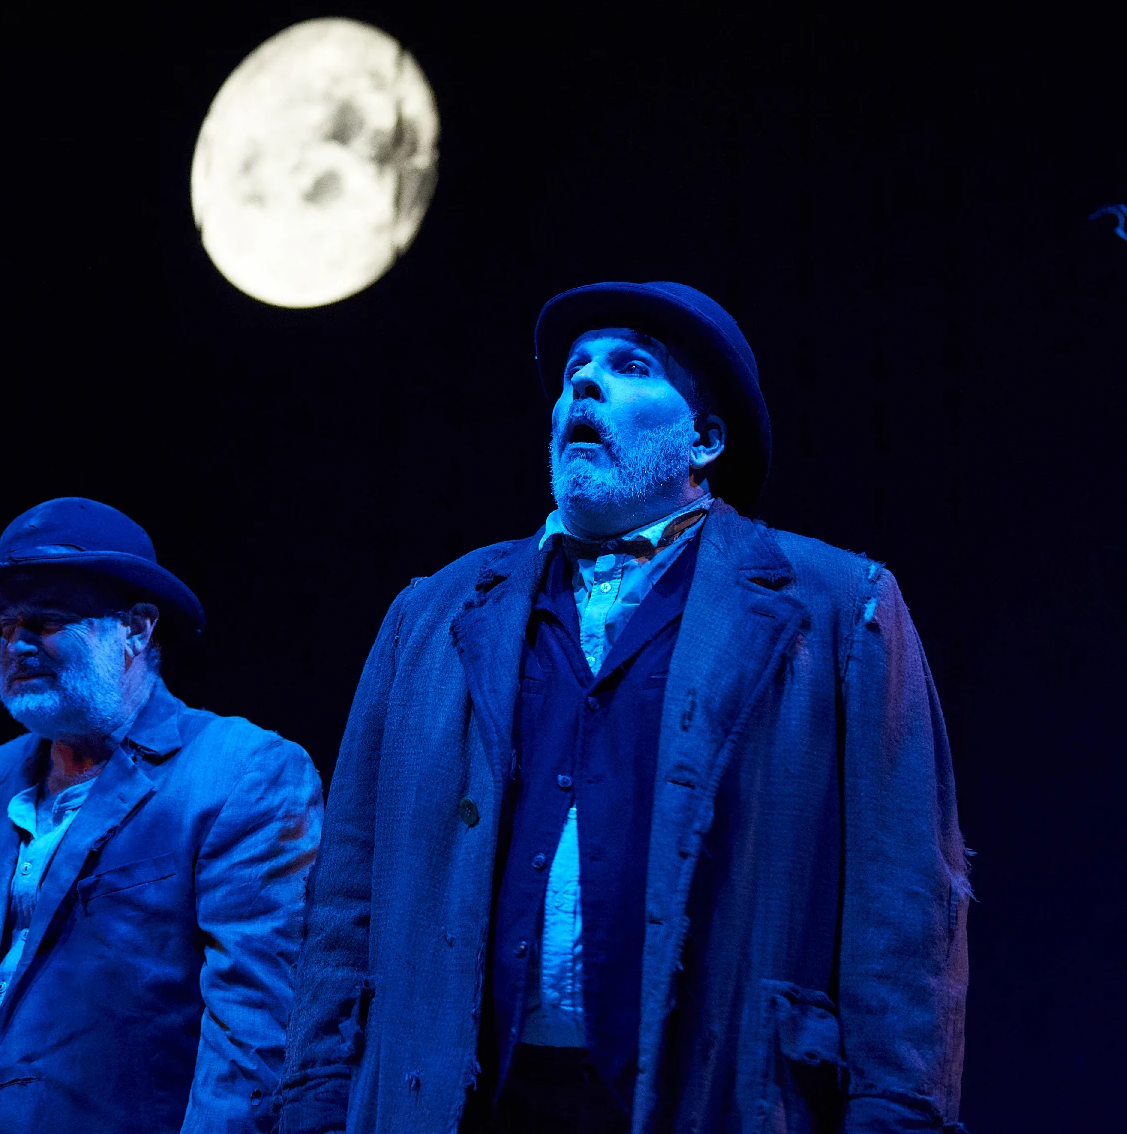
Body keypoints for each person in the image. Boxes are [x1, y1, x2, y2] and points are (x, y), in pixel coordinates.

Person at [279, 282, 970, 1133]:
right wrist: (314, 1100)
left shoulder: (835, 605)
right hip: (466, 1100)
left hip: (719, 1091)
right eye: (576, 368)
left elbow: (902, 907)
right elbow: (346, 890)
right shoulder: (430, 612)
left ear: (704, 439)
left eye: (630, 366)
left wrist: (897, 1116)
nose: (584, 382)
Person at [0, 497, 324, 1134]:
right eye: (6, 626)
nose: (19, 644)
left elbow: (253, 1033)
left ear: (136, 628)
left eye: (47, 620)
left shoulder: (240, 776)